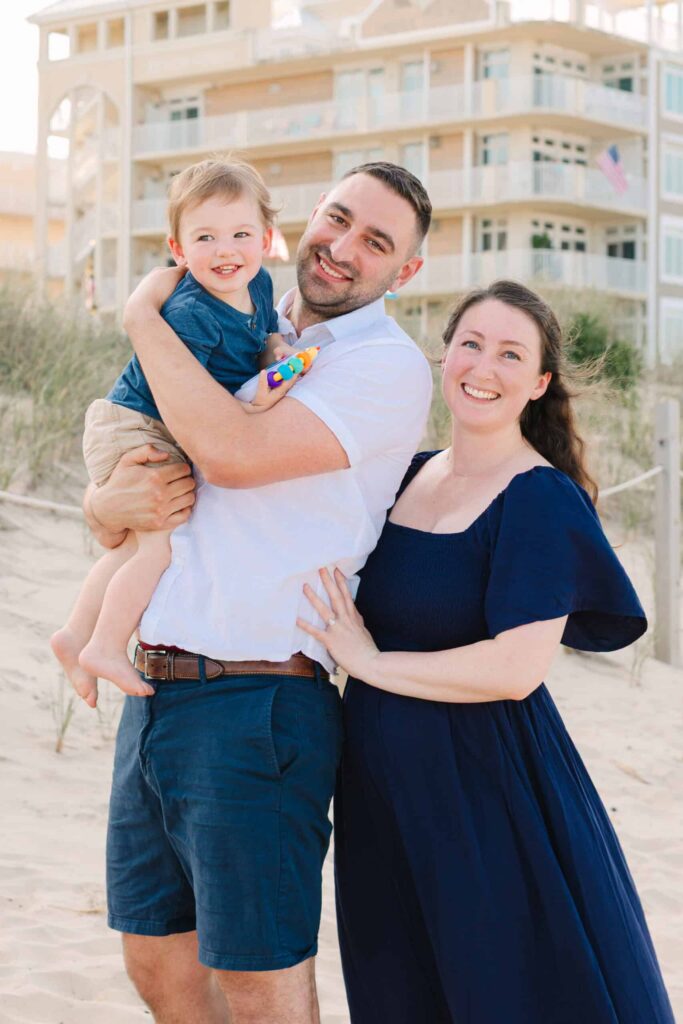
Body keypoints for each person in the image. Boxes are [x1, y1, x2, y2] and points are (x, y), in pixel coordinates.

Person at [78, 162, 434, 1024]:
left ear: (406, 269)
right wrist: (101, 504)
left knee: (257, 980)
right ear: (307, 217)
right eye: (337, 218)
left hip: (260, 700)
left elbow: (230, 455)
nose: (342, 247)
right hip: (156, 686)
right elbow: (149, 484)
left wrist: (140, 317)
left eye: (375, 241)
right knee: (156, 960)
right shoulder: (241, 312)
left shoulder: (384, 365)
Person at [299, 280, 675, 1024]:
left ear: (537, 383)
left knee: (504, 994)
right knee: (403, 992)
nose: (483, 367)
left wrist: (369, 664)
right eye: (471, 344)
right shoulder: (406, 474)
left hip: (486, 794)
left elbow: (515, 669)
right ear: (445, 357)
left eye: (510, 354)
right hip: (381, 791)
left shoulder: (538, 496)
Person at [51, 157, 299, 704]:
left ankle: (74, 635)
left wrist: (276, 350)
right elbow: (191, 401)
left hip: (152, 423)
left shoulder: (259, 284)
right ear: (179, 249)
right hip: (137, 424)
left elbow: (264, 337)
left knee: (137, 545)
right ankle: (106, 645)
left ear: (266, 239)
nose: (225, 251)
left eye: (240, 234)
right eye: (205, 237)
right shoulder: (192, 314)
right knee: (161, 545)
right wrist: (254, 405)